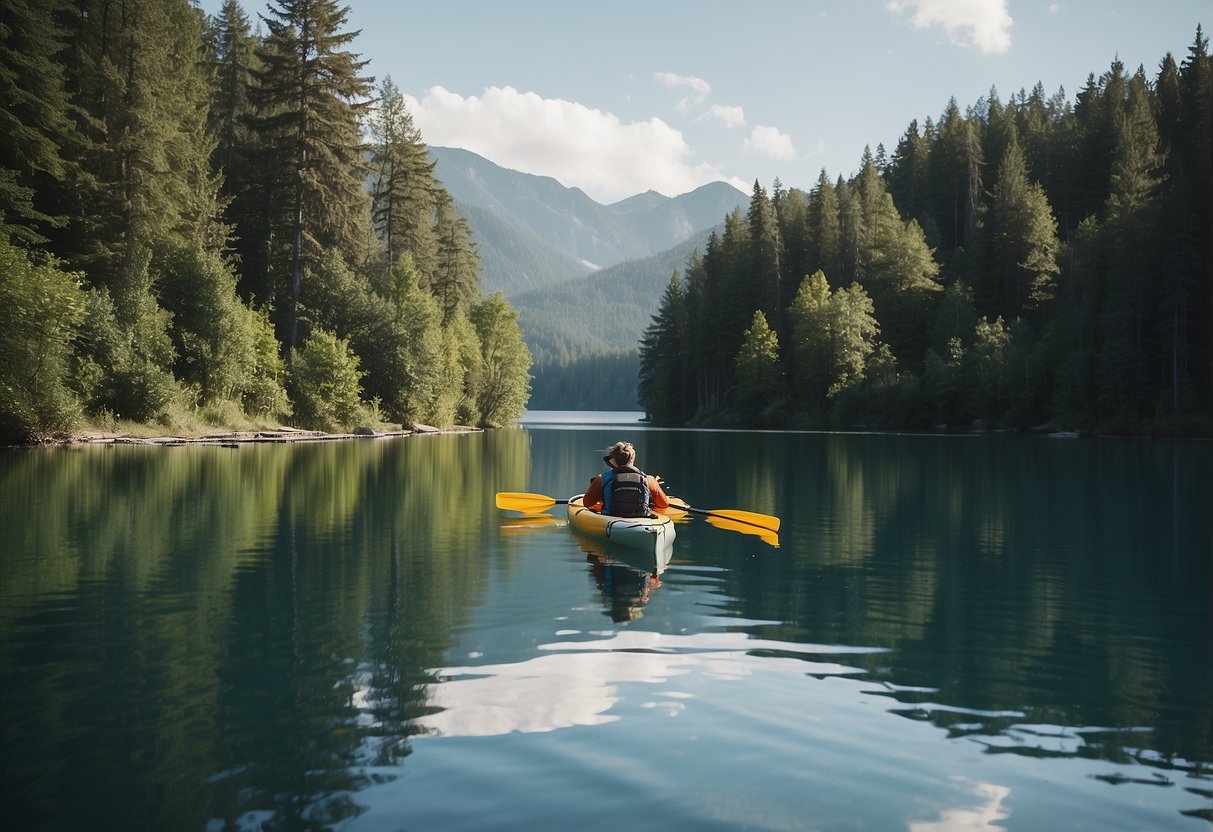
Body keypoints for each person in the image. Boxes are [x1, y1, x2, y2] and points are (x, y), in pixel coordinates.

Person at [582, 441, 669, 517]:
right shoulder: (648, 480)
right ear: (632, 459)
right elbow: (663, 504)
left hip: (611, 520)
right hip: (641, 520)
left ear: (613, 460)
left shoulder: (601, 479)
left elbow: (587, 503)